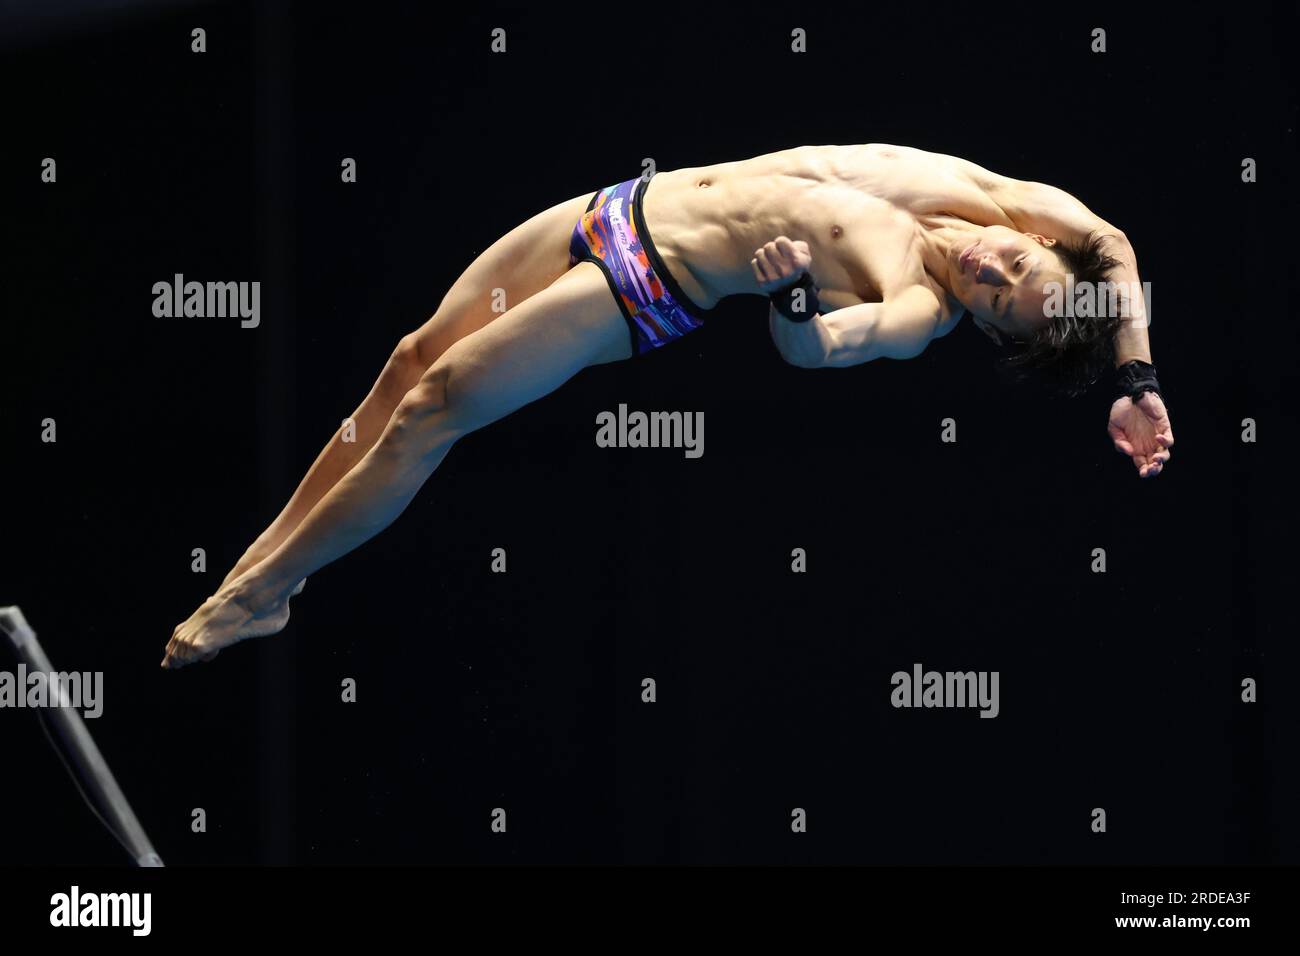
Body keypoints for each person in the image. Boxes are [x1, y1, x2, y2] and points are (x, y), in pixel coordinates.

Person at [161, 143, 1173, 669]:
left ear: (989, 330)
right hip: (619, 204)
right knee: (404, 359)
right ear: (1046, 242)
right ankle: (266, 574)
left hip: (646, 284)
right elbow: (1119, 245)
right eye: (1018, 262)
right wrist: (1137, 378)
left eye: (998, 295)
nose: (992, 264)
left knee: (433, 406)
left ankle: (262, 590)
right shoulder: (1000, 199)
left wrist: (785, 298)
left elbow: (815, 348)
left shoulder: (916, 306)